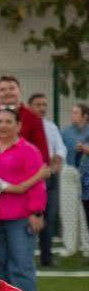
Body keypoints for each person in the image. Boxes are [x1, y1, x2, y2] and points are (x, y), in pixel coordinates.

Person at [0, 108, 49, 291]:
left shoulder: (29, 151)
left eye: (8, 122)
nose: (3, 126)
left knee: (21, 267)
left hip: (21, 219)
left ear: (18, 125)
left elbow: (38, 184)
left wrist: (36, 212)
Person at [26, 92, 65, 268]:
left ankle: (46, 258)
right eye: (38, 104)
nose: (42, 108)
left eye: (44, 105)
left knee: (48, 217)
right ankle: (24, 256)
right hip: (27, 179)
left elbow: (59, 150)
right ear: (29, 107)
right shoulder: (23, 127)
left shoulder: (51, 127)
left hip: (48, 177)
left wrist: (53, 168)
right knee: (26, 219)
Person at [0, 76, 49, 159]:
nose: (7, 92)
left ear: (19, 91)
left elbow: (42, 152)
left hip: (24, 170)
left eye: (12, 88)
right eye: (2, 90)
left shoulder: (33, 118)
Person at [66, 103, 89, 253]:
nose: (72, 115)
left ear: (85, 116)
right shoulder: (67, 132)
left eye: (75, 112)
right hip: (75, 176)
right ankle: (74, 245)